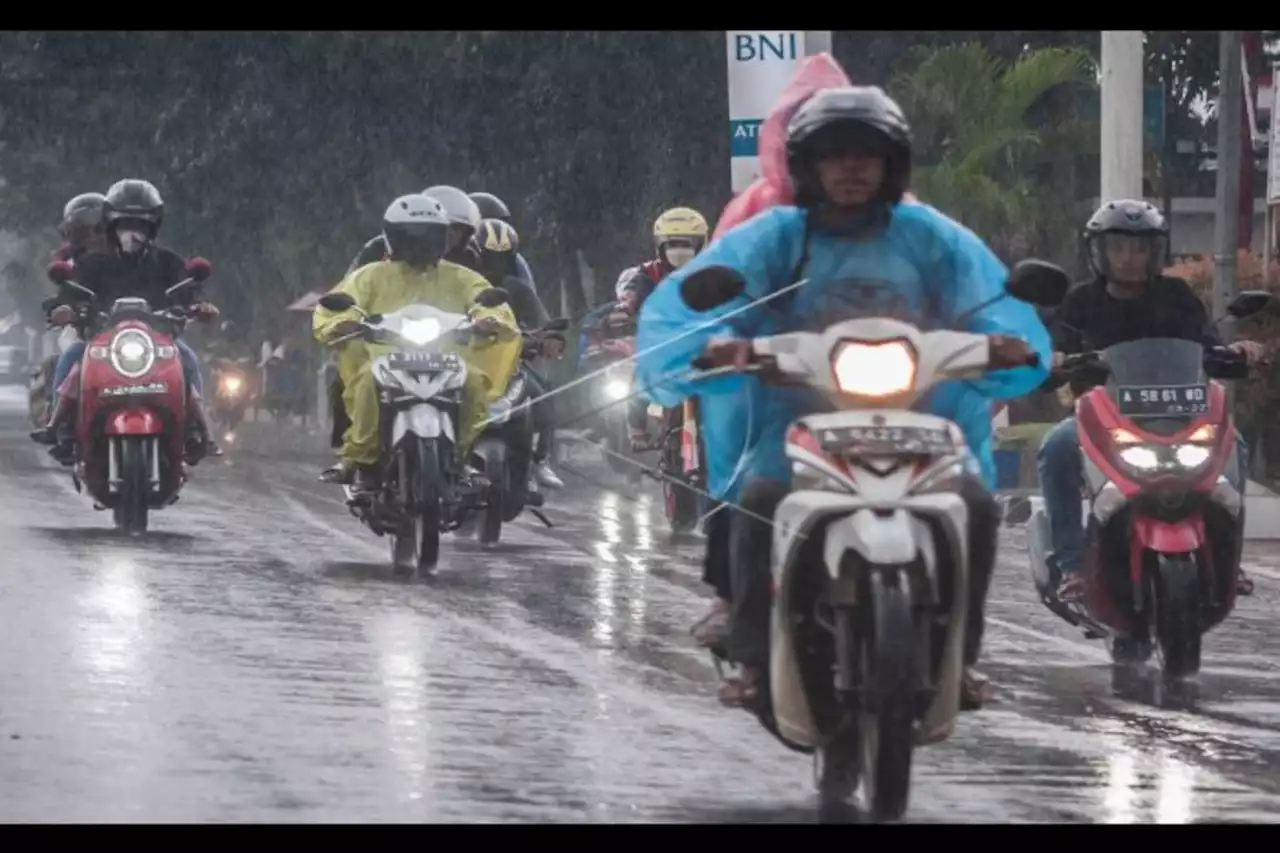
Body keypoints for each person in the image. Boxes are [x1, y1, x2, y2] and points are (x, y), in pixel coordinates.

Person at [633, 85, 1052, 709]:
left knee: (974, 505)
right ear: (808, 166)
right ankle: (750, 653)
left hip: (920, 415)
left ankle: (961, 657)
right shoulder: (776, 236)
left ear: (892, 165)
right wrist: (721, 342)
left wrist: (1005, 343)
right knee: (759, 499)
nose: (851, 168)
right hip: (795, 419)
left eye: (867, 155)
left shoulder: (929, 236)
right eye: (835, 155)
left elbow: (987, 297)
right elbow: (707, 302)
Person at [1037, 199, 1264, 603]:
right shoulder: (1080, 301)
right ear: (1100, 251)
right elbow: (1053, 352)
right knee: (1055, 447)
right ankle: (1072, 566)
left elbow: (1209, 346)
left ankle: (1229, 559)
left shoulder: (1176, 295)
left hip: (1181, 414)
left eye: (1139, 248)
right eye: (1119, 247)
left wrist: (1238, 351)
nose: (1128, 257)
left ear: (1154, 252)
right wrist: (1050, 359)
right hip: (1102, 418)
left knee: (1236, 445)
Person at [314, 194, 521, 492]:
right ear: (394, 237)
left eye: (429, 235)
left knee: (475, 383)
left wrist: (489, 318)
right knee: (365, 384)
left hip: (449, 358)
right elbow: (341, 304)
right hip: (385, 359)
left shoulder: (463, 277)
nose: (420, 243)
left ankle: (461, 457)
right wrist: (342, 321)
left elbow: (485, 300)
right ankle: (357, 459)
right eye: (412, 236)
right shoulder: (371, 275)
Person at [31, 179, 222, 463]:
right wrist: (64, 309)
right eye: (124, 225)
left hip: (159, 341)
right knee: (71, 355)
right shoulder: (93, 262)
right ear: (111, 226)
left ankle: (198, 430)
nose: (132, 233)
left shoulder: (168, 262)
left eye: (140, 226)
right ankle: (59, 427)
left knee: (188, 358)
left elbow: (190, 291)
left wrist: (199, 307)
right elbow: (70, 293)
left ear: (152, 228)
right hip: (100, 340)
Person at [595, 207, 711, 452]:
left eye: (687, 244)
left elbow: (743, 292)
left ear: (702, 243)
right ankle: (637, 427)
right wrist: (623, 312)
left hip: (710, 346)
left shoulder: (718, 268)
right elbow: (631, 296)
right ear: (660, 247)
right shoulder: (647, 274)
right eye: (672, 244)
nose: (680, 252)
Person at [474, 218, 564, 490]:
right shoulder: (462, 283)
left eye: (502, 259)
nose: (494, 266)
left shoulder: (518, 289)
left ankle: (540, 459)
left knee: (543, 392)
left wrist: (549, 337)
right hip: (465, 360)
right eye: (489, 258)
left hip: (511, 362)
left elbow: (541, 320)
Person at [52, 193, 110, 263]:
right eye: (81, 233)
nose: (92, 239)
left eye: (99, 229)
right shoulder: (64, 270)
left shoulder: (124, 265)